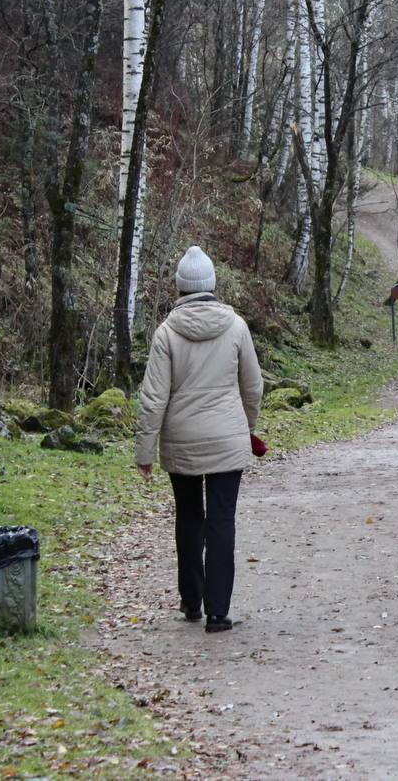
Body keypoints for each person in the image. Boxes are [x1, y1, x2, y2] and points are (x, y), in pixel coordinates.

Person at [135, 245, 264, 633]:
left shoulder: (166, 333)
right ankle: (219, 612)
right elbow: (253, 386)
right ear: (211, 284)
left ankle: (192, 602)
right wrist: (248, 426)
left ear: (179, 287)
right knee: (222, 521)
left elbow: (154, 397)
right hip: (227, 438)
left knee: (189, 518)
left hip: (182, 439)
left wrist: (144, 450)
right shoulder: (236, 326)